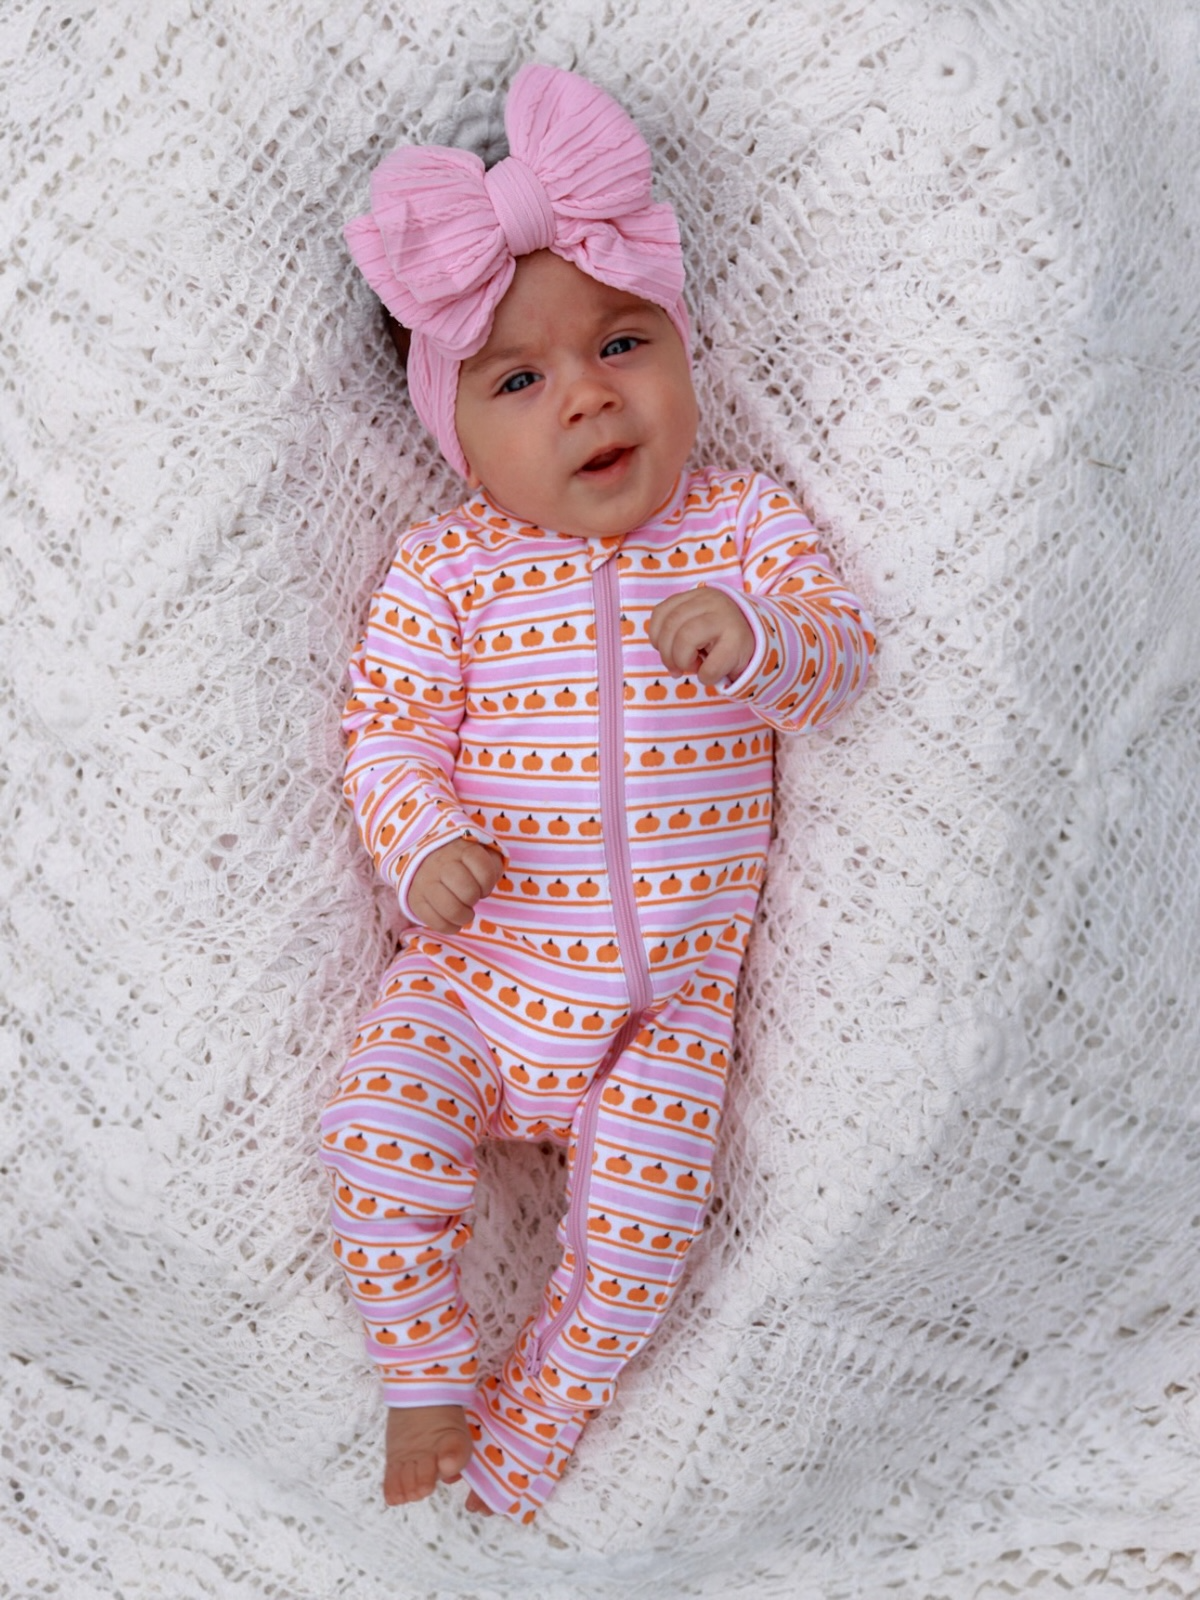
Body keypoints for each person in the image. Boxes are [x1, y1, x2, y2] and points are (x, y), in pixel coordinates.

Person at [320, 62, 876, 1524]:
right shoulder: (448, 573)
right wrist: (422, 839)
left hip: (667, 1014)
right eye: (521, 379)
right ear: (459, 436)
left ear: (682, 349)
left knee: (644, 1238)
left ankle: (533, 1432)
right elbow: (384, 735)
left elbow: (839, 660)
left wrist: (758, 643)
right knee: (376, 1122)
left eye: (624, 343)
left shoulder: (745, 525)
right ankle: (425, 1371)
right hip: (481, 973)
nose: (587, 395)